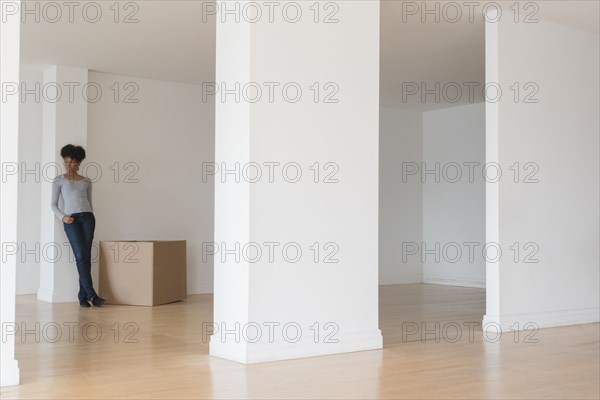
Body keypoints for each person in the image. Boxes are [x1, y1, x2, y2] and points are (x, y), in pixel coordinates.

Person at [51, 144, 105, 308]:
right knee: (81, 256)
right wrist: (63, 217)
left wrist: (91, 217)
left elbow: (89, 202)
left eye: (72, 162)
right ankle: (92, 295)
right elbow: (53, 204)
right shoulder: (58, 180)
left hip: (88, 219)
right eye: (66, 161)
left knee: (86, 257)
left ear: (79, 163)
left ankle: (82, 297)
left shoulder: (87, 181)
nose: (68, 165)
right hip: (71, 220)